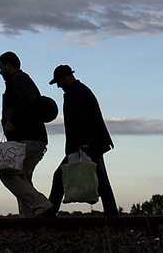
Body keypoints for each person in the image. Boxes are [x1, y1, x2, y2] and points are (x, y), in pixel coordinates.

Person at [45, 65, 118, 217]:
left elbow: (80, 121)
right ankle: (112, 214)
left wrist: (81, 145)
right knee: (100, 179)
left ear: (65, 77)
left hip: (86, 145)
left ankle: (50, 213)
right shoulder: (80, 90)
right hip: (92, 143)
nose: (58, 85)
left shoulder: (75, 93)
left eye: (59, 81)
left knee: (60, 176)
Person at [0, 51, 55, 218]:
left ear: (8, 65)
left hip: (26, 138)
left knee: (7, 174)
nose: (0, 71)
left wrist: (12, 121)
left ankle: (42, 205)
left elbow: (25, 104)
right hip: (35, 138)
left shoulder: (18, 80)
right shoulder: (23, 80)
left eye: (1, 67)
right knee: (23, 179)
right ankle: (29, 218)